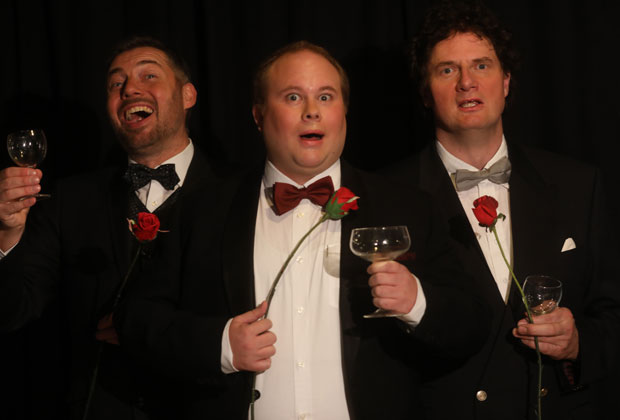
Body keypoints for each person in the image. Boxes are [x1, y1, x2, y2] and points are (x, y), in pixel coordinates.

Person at [117, 40, 490, 420]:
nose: (312, 111)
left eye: (325, 97)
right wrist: (220, 345)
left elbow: (472, 324)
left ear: (344, 111)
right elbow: (137, 320)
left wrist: (417, 302)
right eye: (293, 97)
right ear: (259, 115)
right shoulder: (203, 209)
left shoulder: (408, 206)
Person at [388, 1, 620, 419]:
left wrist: (578, 342)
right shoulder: (388, 196)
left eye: (481, 66)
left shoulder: (578, 184)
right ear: (425, 91)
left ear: (507, 81)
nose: (467, 83)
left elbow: (613, 315)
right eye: (447, 70)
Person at [0, 36, 217, 419]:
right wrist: (8, 233)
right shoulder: (71, 199)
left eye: (148, 75)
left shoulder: (237, 194)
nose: (130, 89)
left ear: (188, 95)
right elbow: (13, 312)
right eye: (117, 83)